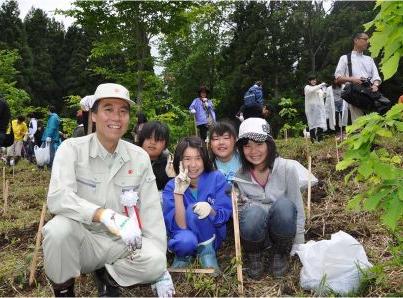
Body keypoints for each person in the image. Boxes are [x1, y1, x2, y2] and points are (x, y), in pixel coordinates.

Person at [42, 83, 174, 297]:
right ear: (93, 115)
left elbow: (151, 213)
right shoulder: (72, 149)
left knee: (156, 261)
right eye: (108, 109)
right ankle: (64, 290)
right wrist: (102, 215)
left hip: (123, 242)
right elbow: (58, 198)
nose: (116, 117)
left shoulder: (138, 157)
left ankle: (108, 276)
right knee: (57, 231)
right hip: (84, 239)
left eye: (123, 111)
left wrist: (157, 263)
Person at [232, 118, 305, 279]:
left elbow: (297, 204)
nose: (253, 151)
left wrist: (299, 239)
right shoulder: (239, 176)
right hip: (257, 235)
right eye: (247, 145)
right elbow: (241, 213)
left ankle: (280, 252)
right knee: (251, 212)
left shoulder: (287, 168)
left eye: (259, 144)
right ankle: (255, 255)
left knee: (285, 205)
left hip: (281, 230)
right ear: (241, 149)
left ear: (269, 145)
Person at [162, 136, 232, 273]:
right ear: (179, 161)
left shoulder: (216, 178)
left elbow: (224, 214)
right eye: (187, 159)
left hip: (211, 235)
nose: (193, 165)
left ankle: (207, 253)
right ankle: (184, 256)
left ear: (204, 160)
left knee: (195, 211)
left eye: (198, 158)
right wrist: (178, 193)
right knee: (184, 241)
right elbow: (179, 226)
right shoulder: (171, 186)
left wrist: (210, 211)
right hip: (185, 235)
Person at [334, 32, 382, 122]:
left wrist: (375, 85)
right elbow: (338, 78)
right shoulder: (345, 58)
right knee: (358, 124)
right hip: (355, 95)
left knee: (373, 123)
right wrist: (352, 79)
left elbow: (376, 77)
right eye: (365, 39)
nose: (367, 42)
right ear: (356, 40)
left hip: (370, 94)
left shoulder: (369, 59)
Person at [138, 121, 172, 191]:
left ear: (165, 144)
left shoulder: (169, 166)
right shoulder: (131, 161)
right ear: (141, 139)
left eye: (158, 139)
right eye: (149, 138)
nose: (152, 142)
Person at [304, 75, 327, 143]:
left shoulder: (319, 89)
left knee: (320, 123)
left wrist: (324, 91)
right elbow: (312, 90)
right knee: (312, 124)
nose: (314, 81)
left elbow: (322, 96)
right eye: (312, 80)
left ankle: (320, 139)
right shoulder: (307, 87)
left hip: (319, 109)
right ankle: (313, 140)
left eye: (315, 80)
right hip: (311, 110)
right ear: (309, 81)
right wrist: (321, 85)